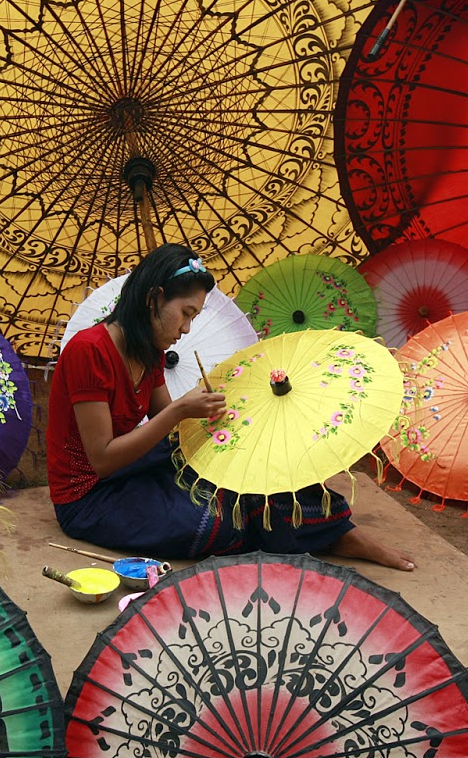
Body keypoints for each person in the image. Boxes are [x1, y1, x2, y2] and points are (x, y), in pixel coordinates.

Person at [47, 242, 414, 570]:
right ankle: (320, 538)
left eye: (193, 318)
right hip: (92, 494)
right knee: (218, 523)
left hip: (138, 466)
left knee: (247, 460)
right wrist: (181, 411)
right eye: (185, 313)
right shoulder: (89, 350)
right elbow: (103, 458)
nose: (186, 329)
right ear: (154, 298)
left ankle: (337, 532)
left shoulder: (149, 348)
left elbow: (167, 424)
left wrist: (236, 414)